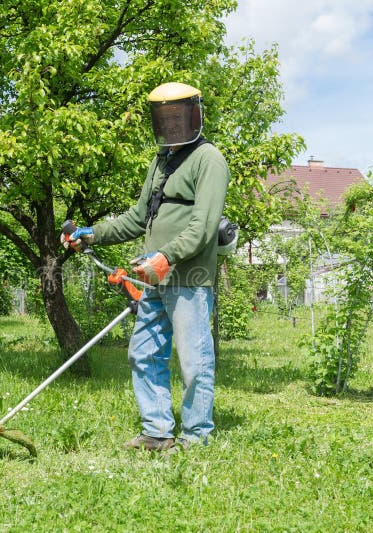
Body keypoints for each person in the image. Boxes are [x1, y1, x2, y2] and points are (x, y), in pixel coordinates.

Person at [61, 82, 230, 453]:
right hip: (154, 278)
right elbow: (139, 218)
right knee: (144, 353)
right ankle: (157, 430)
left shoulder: (209, 160)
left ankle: (196, 436)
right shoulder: (161, 161)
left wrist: (166, 256)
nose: (172, 125)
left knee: (194, 362)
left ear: (195, 114)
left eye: (178, 116)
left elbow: (203, 227)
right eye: (164, 118)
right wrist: (92, 234)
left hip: (188, 278)